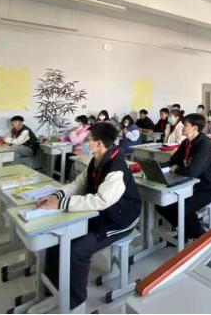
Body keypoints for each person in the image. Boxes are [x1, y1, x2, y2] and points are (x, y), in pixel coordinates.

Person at [33, 122, 141, 312]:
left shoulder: (116, 167)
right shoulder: (96, 159)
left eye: (88, 140)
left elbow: (101, 200)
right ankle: (54, 292)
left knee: (78, 249)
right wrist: (57, 195)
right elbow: (79, 184)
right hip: (100, 214)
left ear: (99, 143)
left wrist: (62, 204)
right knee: (57, 238)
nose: (85, 142)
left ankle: (75, 303)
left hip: (120, 219)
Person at [156, 114, 211, 241]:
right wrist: (158, 168)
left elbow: (192, 172)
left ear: (195, 128)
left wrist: (176, 169)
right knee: (161, 204)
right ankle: (185, 231)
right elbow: (173, 161)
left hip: (205, 188)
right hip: (186, 184)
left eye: (185, 125)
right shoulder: (186, 142)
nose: (183, 127)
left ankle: (199, 235)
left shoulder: (204, 144)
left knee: (182, 207)